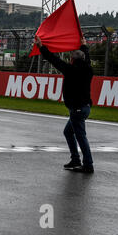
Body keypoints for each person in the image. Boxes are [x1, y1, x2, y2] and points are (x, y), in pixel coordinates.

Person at [35, 35, 94, 173]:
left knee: (81, 136)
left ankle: (88, 164)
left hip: (77, 109)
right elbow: (87, 60)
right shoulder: (88, 69)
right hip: (85, 107)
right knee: (68, 132)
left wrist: (41, 47)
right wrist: (84, 45)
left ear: (72, 59)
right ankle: (75, 159)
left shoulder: (70, 70)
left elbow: (53, 59)